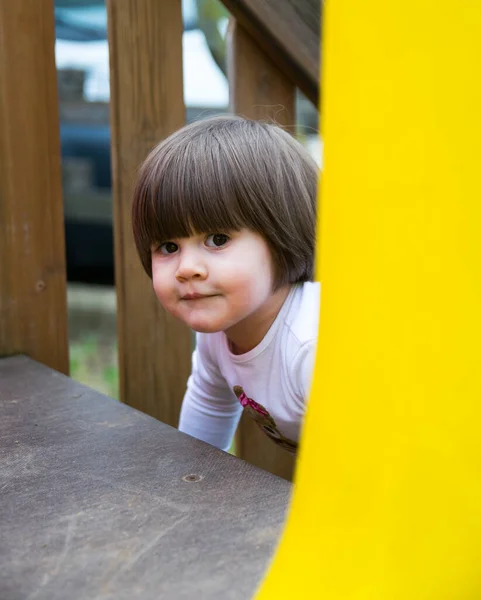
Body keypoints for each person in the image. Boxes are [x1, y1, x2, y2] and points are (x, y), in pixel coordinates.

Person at [131, 115, 319, 454]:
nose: (187, 269)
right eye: (169, 247)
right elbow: (210, 408)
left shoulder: (312, 346)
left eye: (217, 239)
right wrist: (188, 486)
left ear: (283, 236)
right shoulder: (218, 337)